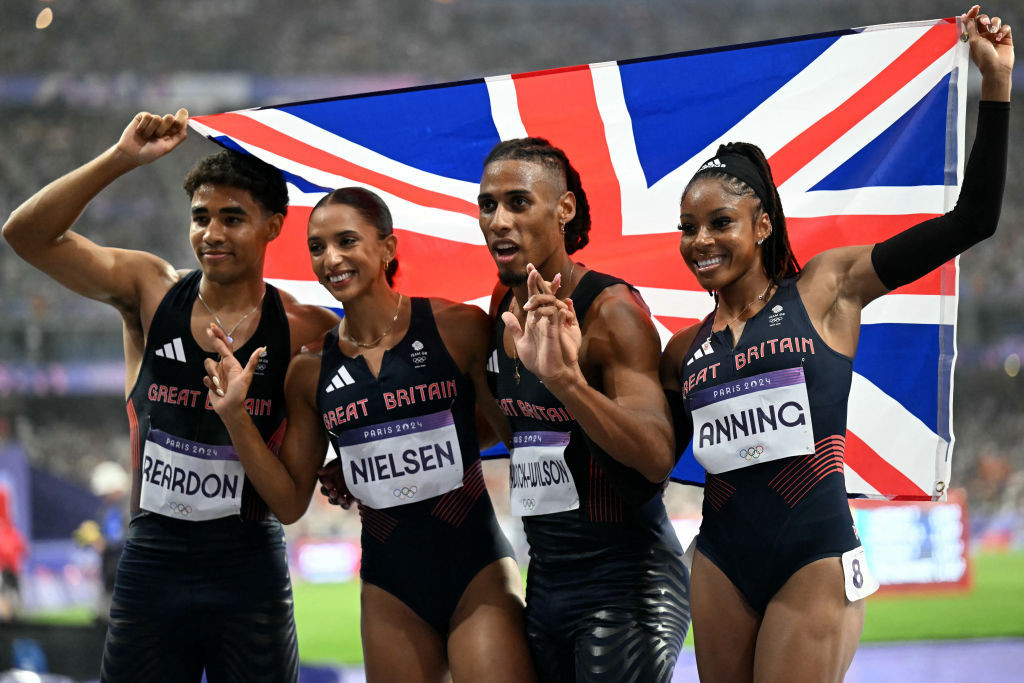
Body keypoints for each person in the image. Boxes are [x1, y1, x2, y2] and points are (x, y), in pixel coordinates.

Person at [659, 7, 1012, 681]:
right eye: (687, 227)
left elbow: (976, 218)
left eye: (719, 222)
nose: (699, 240)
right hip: (719, 561)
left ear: (761, 223)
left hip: (812, 555)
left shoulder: (825, 288)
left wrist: (993, 84)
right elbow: (647, 458)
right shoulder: (683, 350)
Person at [2, 109, 338, 682]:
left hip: (249, 565)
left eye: (233, 218)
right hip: (153, 559)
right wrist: (121, 158)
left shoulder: (308, 330)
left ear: (274, 225)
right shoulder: (152, 290)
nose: (212, 233)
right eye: (201, 217)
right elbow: (24, 234)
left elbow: (291, 500)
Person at [203, 187, 535, 682]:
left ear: (388, 247)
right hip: (389, 590)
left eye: (346, 241)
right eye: (317, 247)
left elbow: (513, 433)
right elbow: (291, 503)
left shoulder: (458, 327)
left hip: (477, 572)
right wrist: (235, 418)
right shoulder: (308, 371)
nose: (330, 258)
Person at [478, 138, 691, 682]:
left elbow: (655, 456)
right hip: (546, 577)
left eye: (518, 203)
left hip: (626, 580)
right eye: (488, 205)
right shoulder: (503, 306)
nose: (498, 220)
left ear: (564, 209)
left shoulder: (612, 311)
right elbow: (515, 429)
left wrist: (568, 382)